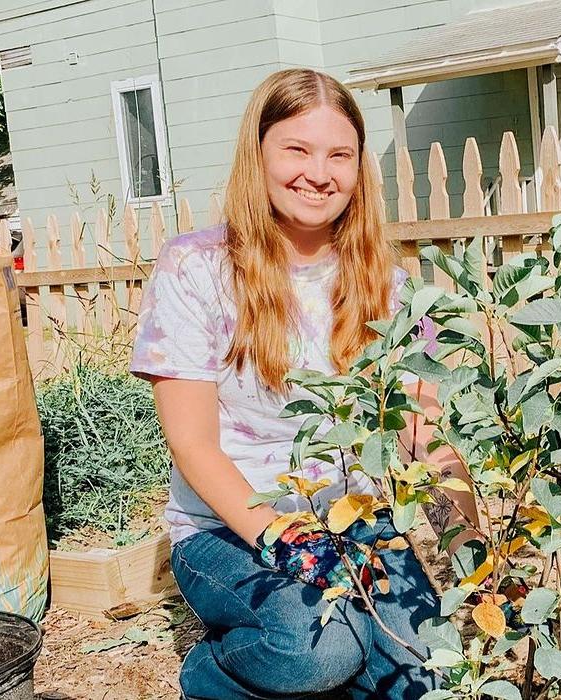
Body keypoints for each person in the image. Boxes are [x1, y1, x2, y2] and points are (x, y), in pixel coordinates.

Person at [131, 69, 477, 699]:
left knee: (429, 673)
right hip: (225, 527)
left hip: (352, 519)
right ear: (257, 153)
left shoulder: (389, 285)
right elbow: (192, 444)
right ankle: (211, 677)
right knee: (315, 650)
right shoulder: (196, 268)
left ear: (358, 168)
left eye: (339, 155)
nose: (319, 173)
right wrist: (278, 536)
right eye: (297, 149)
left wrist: (476, 554)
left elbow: (427, 435)